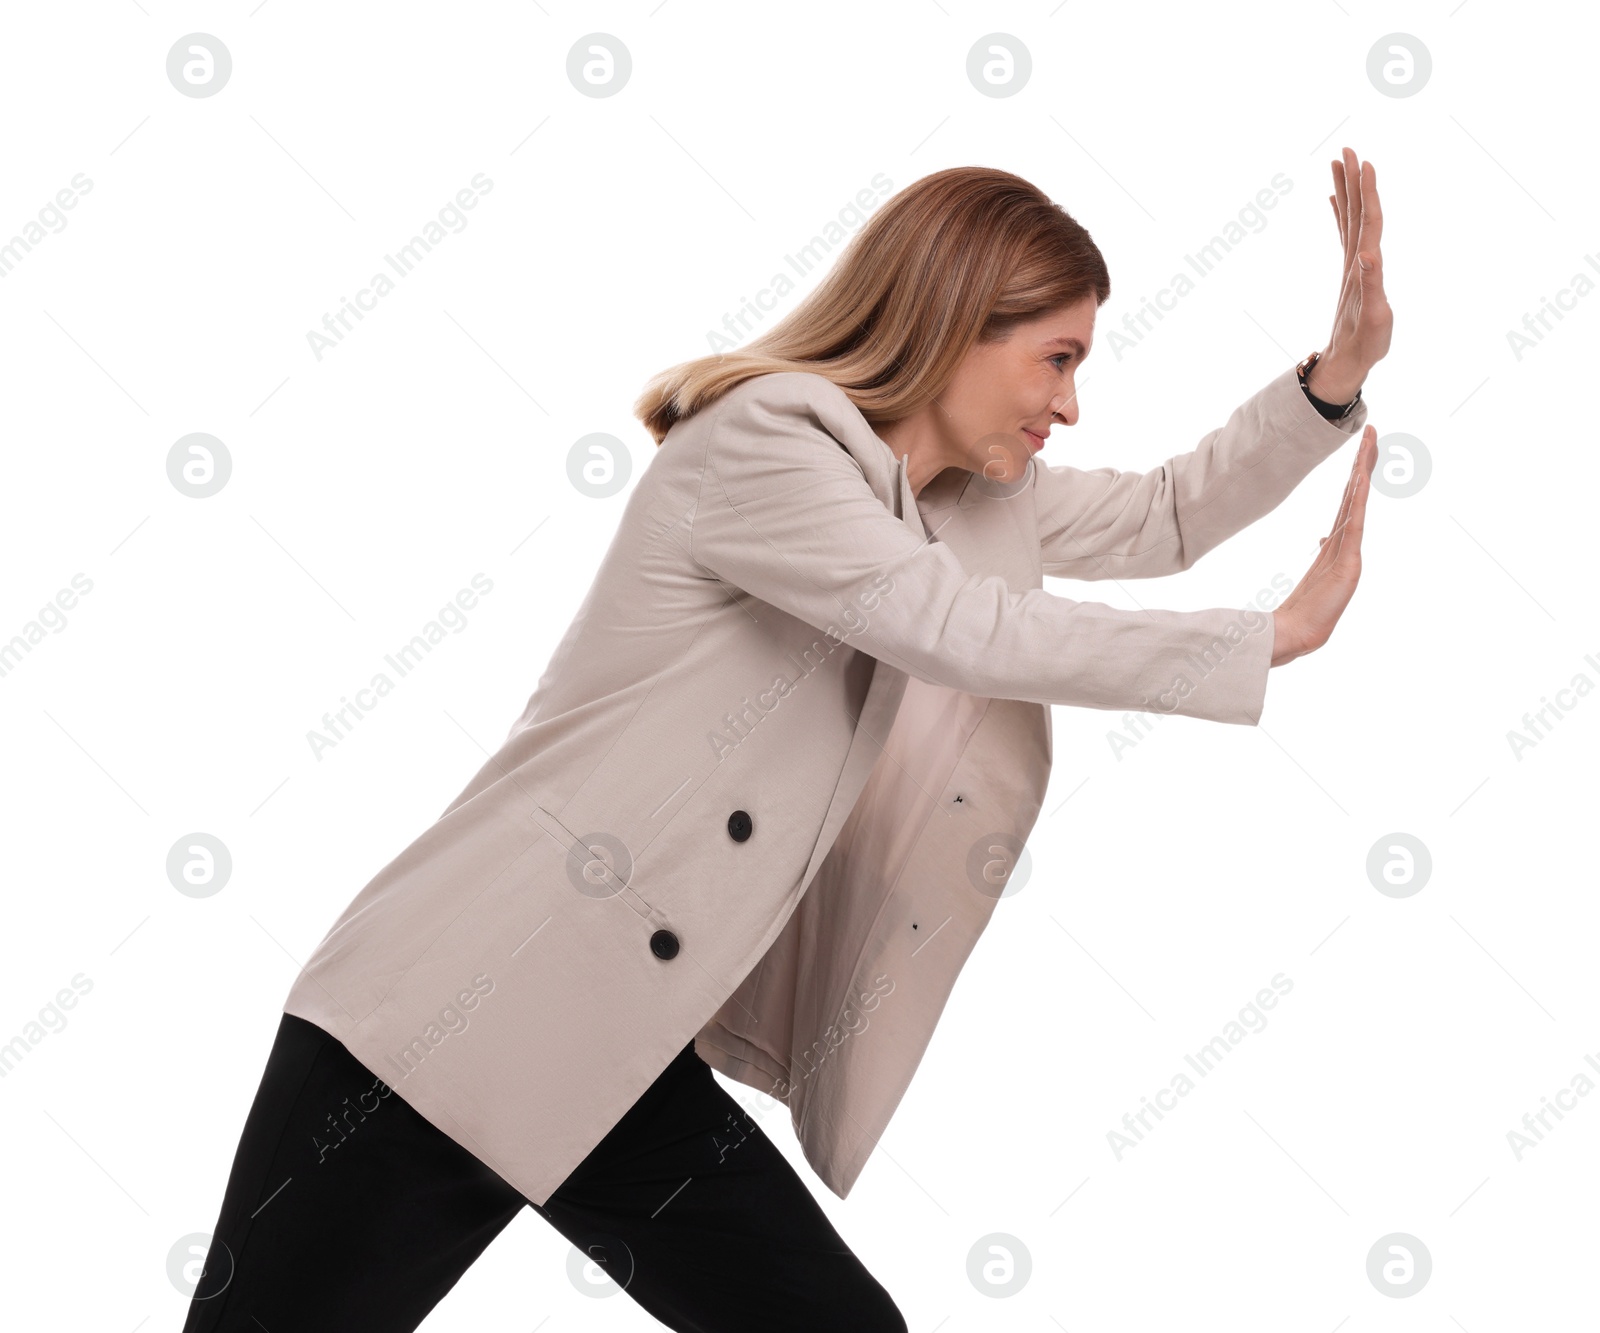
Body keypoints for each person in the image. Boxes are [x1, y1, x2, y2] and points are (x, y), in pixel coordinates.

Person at [181, 152, 1388, 1332]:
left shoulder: (950, 499)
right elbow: (956, 628)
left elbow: (1165, 514)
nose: (1070, 402)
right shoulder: (767, 443)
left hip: (619, 1047)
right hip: (450, 1016)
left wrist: (1331, 382)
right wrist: (1263, 638)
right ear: (955, 323)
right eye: (1056, 358)